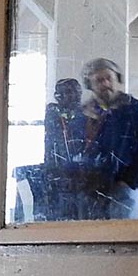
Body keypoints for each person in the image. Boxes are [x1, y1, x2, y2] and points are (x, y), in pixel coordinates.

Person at [68, 58, 138, 220]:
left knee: (122, 238)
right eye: (99, 80)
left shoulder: (134, 110)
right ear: (90, 85)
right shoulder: (83, 114)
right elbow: (71, 149)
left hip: (122, 189)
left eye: (108, 78)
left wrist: (130, 181)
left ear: (117, 79)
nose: (105, 84)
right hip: (90, 191)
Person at [43, 78, 83, 220]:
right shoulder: (53, 111)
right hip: (57, 172)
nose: (64, 97)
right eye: (60, 93)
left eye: (69, 92)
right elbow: (52, 142)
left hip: (81, 175)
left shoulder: (86, 114)